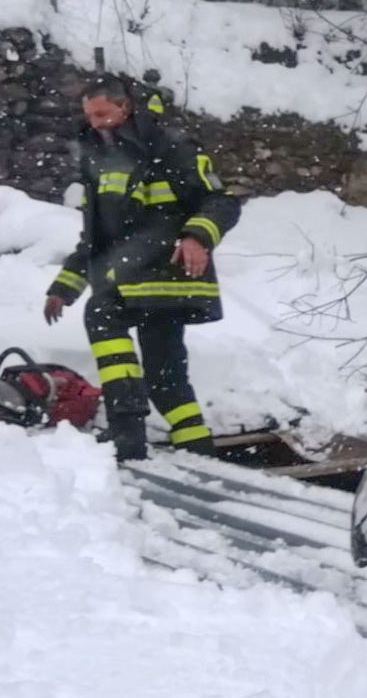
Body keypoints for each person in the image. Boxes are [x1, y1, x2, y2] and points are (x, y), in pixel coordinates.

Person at [44, 74, 240, 462]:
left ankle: (127, 434)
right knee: (165, 378)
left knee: (101, 312)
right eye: (90, 115)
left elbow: (222, 201)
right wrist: (64, 287)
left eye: (103, 114)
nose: (96, 123)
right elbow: (96, 239)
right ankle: (197, 448)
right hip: (136, 279)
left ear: (125, 107)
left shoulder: (169, 147)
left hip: (168, 272)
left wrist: (197, 237)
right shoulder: (98, 160)